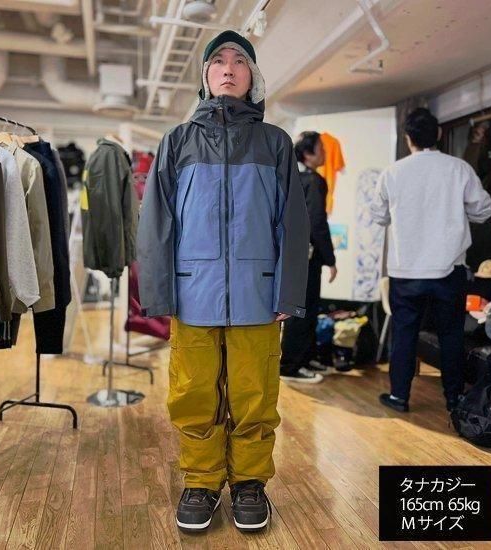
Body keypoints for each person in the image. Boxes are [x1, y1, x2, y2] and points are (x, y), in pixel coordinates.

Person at [137, 30, 309, 533]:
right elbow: (156, 223)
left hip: (258, 293)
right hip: (193, 294)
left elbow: (292, 223)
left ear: (253, 77)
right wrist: (160, 293)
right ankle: (201, 481)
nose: (229, 69)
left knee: (255, 395)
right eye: (218, 61)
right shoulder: (177, 142)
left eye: (239, 61)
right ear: (206, 75)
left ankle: (250, 482)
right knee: (193, 394)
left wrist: (288, 291)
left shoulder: (275, 143)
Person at [370, 108, 491, 413]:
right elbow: (484, 210)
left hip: (405, 271)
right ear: (438, 134)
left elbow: (378, 216)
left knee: (404, 334)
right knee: (451, 335)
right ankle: (454, 398)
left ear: (407, 138)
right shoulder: (459, 169)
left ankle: (399, 397)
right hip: (448, 270)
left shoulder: (392, 172)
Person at [280, 131, 337, 384]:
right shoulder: (313, 180)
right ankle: (291, 366)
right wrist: (331, 259)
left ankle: (305, 358)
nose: (324, 153)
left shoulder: (292, 178)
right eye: (321, 148)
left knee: (303, 308)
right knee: (303, 309)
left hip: (292, 254)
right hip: (307, 256)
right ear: (307, 153)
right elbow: (317, 223)